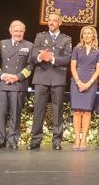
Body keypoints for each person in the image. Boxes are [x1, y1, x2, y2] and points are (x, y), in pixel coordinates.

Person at [28, 13, 72, 150]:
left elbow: (68, 58)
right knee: (38, 110)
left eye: (54, 21)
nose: (51, 23)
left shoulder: (66, 39)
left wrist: (52, 59)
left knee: (57, 110)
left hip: (58, 78)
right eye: (50, 20)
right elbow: (33, 55)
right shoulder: (40, 36)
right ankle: (35, 140)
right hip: (41, 78)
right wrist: (41, 56)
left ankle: (57, 140)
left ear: (60, 23)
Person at [0, 20, 34, 150]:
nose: (18, 33)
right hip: (2, 83)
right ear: (10, 31)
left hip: (18, 84)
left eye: (21, 31)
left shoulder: (29, 46)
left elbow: (31, 66)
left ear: (24, 32)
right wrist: (2, 75)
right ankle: (0, 140)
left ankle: (13, 140)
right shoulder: (1, 44)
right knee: (0, 113)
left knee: (15, 114)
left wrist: (17, 77)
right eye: (16, 31)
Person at [69, 26, 99, 151]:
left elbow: (98, 69)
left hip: (91, 82)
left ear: (93, 36)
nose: (87, 36)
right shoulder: (77, 49)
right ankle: (77, 139)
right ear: (82, 36)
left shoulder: (98, 51)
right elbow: (73, 67)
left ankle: (84, 140)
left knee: (87, 111)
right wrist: (78, 82)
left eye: (90, 33)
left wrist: (88, 83)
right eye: (85, 34)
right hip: (76, 82)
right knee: (77, 111)